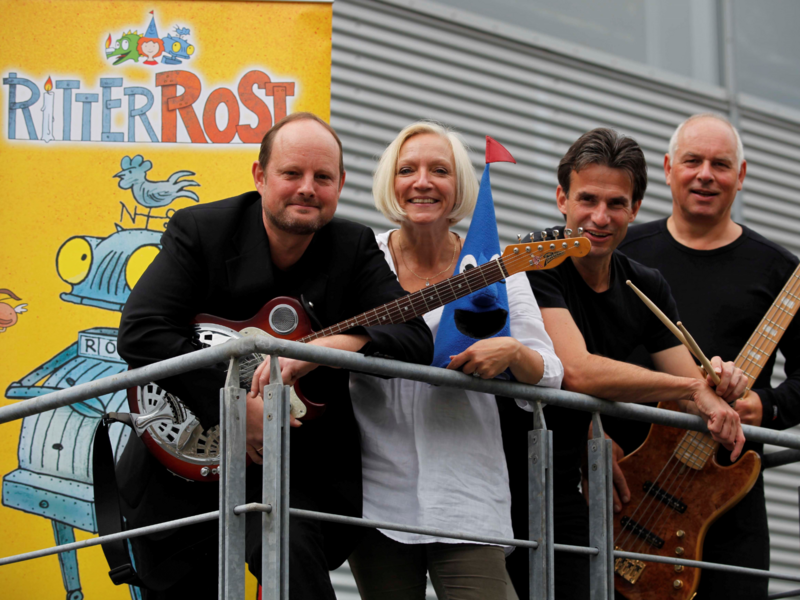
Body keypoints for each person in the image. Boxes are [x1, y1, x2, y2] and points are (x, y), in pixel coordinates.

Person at [115, 112, 434, 599]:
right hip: (181, 469)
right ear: (260, 177)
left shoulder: (353, 247)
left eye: (322, 177)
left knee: (291, 559)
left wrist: (328, 348)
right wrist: (237, 411)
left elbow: (413, 336)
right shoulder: (201, 230)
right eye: (291, 174)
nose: (307, 188)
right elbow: (141, 331)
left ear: (340, 184)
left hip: (297, 472)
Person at [504, 128, 748, 600]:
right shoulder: (539, 256)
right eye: (587, 199)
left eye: (616, 203)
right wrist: (692, 389)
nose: (600, 217)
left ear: (635, 209)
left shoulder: (645, 283)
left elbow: (691, 387)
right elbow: (577, 370)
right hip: (506, 473)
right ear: (561, 198)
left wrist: (719, 381)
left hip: (565, 478)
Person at [346, 121, 564, 600]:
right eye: (408, 170)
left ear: (460, 185)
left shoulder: (495, 264)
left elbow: (551, 373)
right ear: (390, 182)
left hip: (466, 495)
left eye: (439, 170)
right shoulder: (360, 257)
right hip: (375, 492)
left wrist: (512, 351)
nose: (422, 182)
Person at [616, 113, 800, 599]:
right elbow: (580, 354)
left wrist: (767, 407)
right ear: (669, 168)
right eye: (693, 161)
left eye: (721, 164)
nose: (705, 174)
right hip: (624, 489)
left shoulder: (780, 270)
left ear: (740, 177)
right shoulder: (622, 252)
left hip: (726, 501)